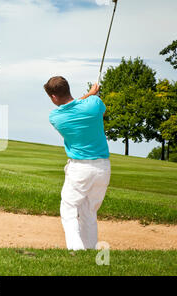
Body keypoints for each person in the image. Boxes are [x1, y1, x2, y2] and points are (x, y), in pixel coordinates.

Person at [44, 76, 111, 251]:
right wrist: (91, 95)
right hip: (103, 168)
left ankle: (76, 249)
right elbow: (98, 111)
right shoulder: (94, 103)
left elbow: (70, 108)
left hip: (80, 168)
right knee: (89, 211)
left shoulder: (56, 117)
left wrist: (88, 94)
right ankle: (88, 249)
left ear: (53, 97)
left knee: (69, 208)